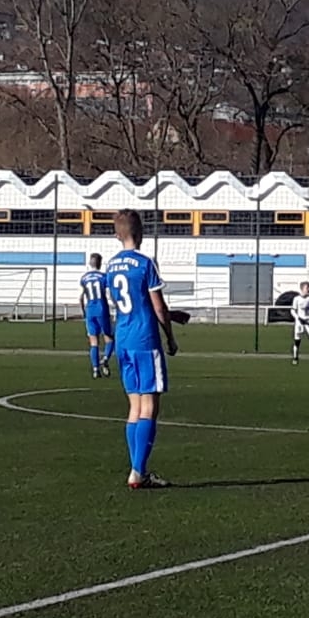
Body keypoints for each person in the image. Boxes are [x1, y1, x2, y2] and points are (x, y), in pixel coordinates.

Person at [105, 210, 179, 490]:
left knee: (134, 407)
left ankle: (136, 469)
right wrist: (170, 336)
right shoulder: (145, 263)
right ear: (143, 233)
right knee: (149, 406)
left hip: (122, 338)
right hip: (145, 340)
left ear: (117, 234)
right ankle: (138, 472)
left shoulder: (111, 266)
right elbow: (157, 305)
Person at [79, 253, 113, 379]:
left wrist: (84, 312)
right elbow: (109, 294)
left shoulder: (84, 278)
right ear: (99, 263)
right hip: (102, 309)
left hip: (90, 311)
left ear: (90, 263)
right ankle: (105, 359)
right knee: (109, 338)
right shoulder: (104, 277)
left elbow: (80, 298)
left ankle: (95, 370)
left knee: (94, 342)